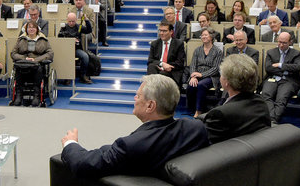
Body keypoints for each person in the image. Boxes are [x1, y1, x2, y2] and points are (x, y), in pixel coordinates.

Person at [60, 75, 209, 178]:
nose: (134, 98)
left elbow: (84, 165)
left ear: (150, 105)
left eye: (138, 96)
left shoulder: (131, 145)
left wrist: (70, 143)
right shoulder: (196, 128)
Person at [197, 54, 271, 143]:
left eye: (221, 74)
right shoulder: (261, 103)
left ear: (227, 82)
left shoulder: (220, 114)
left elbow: (205, 146)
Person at [261, 32, 300, 125]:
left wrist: (280, 65)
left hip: (289, 80)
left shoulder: (296, 53)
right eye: (279, 42)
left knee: (282, 98)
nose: (281, 45)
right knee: (266, 95)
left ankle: (272, 119)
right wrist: (285, 70)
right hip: (273, 78)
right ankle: (272, 118)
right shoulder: (271, 52)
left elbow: (297, 67)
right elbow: (268, 68)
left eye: (284, 43)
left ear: (290, 42)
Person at [9, 21, 54, 107]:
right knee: (17, 68)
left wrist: (36, 59)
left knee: (39, 69)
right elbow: (13, 53)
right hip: (23, 63)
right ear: (26, 29)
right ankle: (19, 94)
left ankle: (36, 95)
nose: (31, 29)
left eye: (33, 27)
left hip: (37, 64)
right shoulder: (21, 39)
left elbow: (50, 54)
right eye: (29, 27)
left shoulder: (43, 40)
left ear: (37, 29)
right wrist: (24, 59)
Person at [186, 28, 224, 117]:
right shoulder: (197, 50)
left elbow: (216, 68)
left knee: (201, 85)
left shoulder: (218, 51)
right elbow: (193, 65)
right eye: (202, 35)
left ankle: (199, 110)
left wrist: (202, 74)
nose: (203, 37)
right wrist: (193, 76)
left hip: (211, 77)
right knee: (191, 85)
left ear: (211, 37)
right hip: (197, 74)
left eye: (205, 35)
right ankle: (192, 108)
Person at [59, 12, 93, 84]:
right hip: (66, 50)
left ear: (76, 20)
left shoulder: (79, 27)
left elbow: (89, 30)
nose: (71, 23)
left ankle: (83, 75)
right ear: (67, 20)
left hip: (76, 49)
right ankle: (67, 76)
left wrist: (86, 20)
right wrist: (70, 40)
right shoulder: (63, 27)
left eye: (73, 21)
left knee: (85, 57)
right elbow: (60, 38)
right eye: (69, 21)